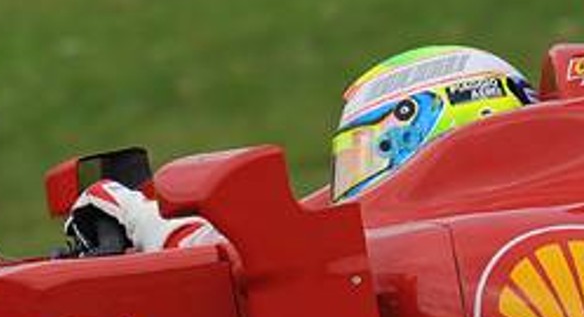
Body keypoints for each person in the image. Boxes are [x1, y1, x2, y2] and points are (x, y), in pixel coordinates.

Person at [65, 45, 534, 253]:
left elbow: (241, 255)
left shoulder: (407, 245)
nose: (355, 177)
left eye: (369, 152)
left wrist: (136, 215)